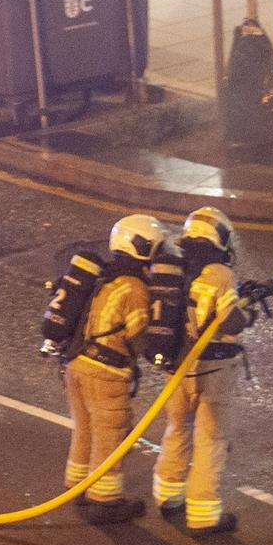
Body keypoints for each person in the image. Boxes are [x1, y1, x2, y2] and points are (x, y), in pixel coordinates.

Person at [152, 206, 256, 535]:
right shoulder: (219, 274)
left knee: (177, 427)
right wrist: (246, 307)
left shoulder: (173, 267)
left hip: (178, 368)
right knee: (210, 439)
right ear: (220, 239)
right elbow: (231, 322)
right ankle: (203, 512)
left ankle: (168, 495)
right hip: (213, 369)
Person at [59, 214, 166, 523]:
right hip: (105, 372)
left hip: (76, 364)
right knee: (110, 434)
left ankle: (77, 485)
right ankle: (105, 499)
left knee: (85, 429)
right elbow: (138, 338)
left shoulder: (103, 277)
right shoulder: (134, 288)